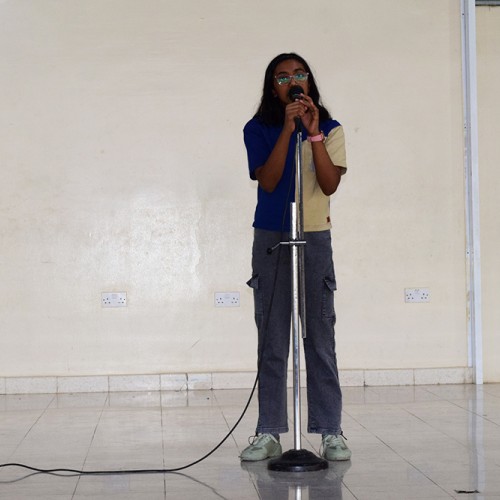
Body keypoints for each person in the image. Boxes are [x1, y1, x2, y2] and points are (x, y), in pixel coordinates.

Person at [240, 53, 351, 462]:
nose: (293, 81)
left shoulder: (331, 128)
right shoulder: (258, 129)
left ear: (309, 82)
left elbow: (329, 183)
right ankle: (269, 431)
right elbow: (269, 181)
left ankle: (330, 430)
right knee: (272, 340)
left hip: (314, 235)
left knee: (320, 337)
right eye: (283, 77)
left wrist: (313, 133)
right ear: (274, 88)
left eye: (299, 74)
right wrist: (288, 130)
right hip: (272, 236)